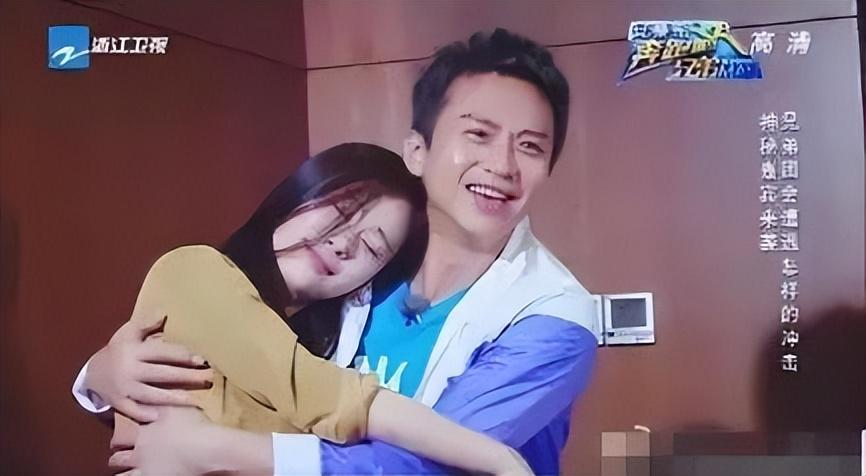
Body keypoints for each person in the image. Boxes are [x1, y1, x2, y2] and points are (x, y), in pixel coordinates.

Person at [75, 28, 599, 475]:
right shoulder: (356, 276)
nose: (503, 165)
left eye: (530, 146)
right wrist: (101, 377)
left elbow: (432, 465)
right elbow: (242, 381)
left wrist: (214, 449)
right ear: (418, 151)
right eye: (479, 133)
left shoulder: (552, 316)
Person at [78, 143, 532, 475]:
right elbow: (324, 396)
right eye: (340, 210)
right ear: (300, 194)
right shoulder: (194, 270)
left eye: (373, 248)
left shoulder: (327, 343)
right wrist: (497, 458)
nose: (343, 243)